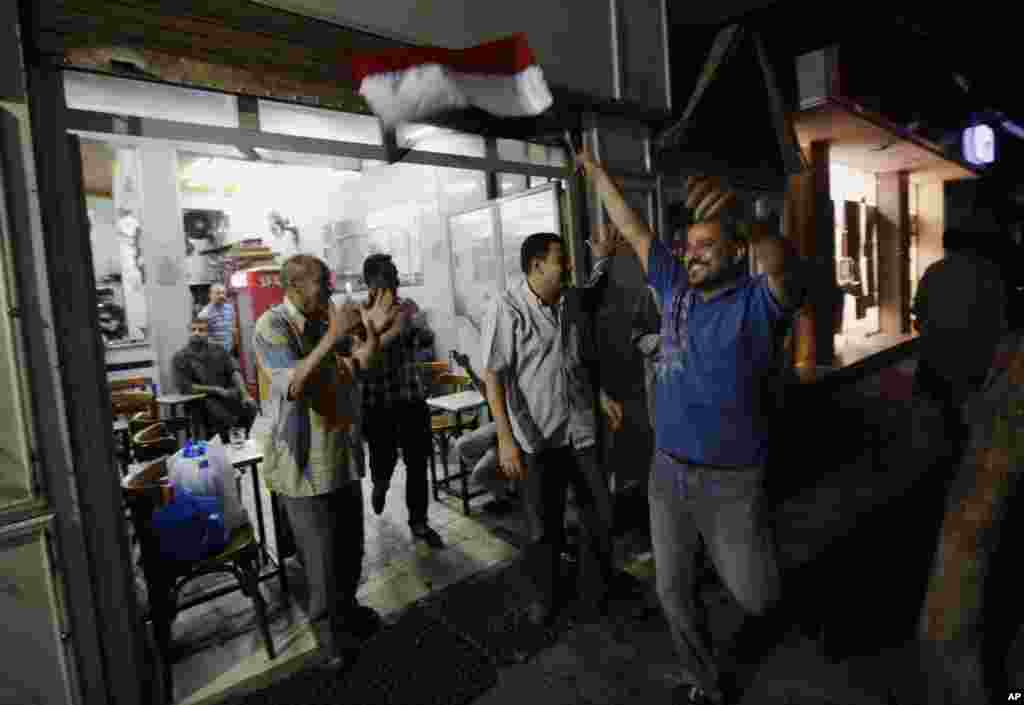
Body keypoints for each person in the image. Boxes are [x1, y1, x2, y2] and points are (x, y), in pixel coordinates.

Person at [577, 148, 806, 705]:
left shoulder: (759, 301)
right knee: (673, 592)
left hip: (733, 482)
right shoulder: (674, 289)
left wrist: (751, 221)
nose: (694, 254)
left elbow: (782, 266)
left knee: (759, 599)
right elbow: (632, 228)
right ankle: (705, 683)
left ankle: (763, 566)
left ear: (734, 251)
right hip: (669, 474)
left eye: (708, 246)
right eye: (690, 246)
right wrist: (594, 170)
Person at [253, 253, 397, 669]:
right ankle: (329, 636)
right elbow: (293, 385)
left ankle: (348, 612)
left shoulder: (323, 320)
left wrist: (371, 331)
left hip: (341, 456)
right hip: (303, 466)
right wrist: (333, 335)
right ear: (294, 286)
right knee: (321, 560)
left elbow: (360, 364)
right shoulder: (272, 325)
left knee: (349, 550)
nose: (331, 289)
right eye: (322, 282)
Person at [481, 226, 624, 627]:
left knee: (597, 514)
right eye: (561, 261)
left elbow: (576, 353)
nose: (568, 268)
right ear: (536, 265)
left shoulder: (569, 301)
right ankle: (546, 597)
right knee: (545, 528)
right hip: (538, 441)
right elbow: (493, 377)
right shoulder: (507, 309)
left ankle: (596, 590)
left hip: (578, 431)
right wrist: (506, 441)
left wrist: (605, 259)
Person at [359, 253, 444, 548]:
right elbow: (361, 358)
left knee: (418, 462)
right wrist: (390, 330)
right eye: (386, 279)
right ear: (370, 282)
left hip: (410, 397)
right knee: (383, 462)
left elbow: (428, 339)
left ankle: (419, 521)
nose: (393, 285)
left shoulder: (407, 307)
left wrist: (417, 329)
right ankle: (380, 486)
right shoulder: (360, 315)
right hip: (377, 402)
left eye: (395, 279)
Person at [911, 226, 1007, 461]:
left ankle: (947, 447)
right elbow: (1000, 315)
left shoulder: (934, 271)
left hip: (938, 350)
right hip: (976, 351)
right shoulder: (989, 273)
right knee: (972, 400)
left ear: (946, 245)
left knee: (944, 403)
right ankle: (968, 447)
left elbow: (919, 309)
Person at [172, 317, 259, 443]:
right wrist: (216, 390)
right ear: (189, 332)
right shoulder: (180, 357)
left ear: (208, 333)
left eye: (201, 330)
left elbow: (234, 371)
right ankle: (226, 444)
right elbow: (185, 386)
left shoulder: (219, 350)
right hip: (201, 400)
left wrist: (245, 395)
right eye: (193, 330)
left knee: (250, 406)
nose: (196, 333)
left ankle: (241, 440)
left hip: (226, 394)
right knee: (220, 415)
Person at [198, 283, 238, 355]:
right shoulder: (204, 313)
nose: (221, 296)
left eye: (223, 293)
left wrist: (235, 345)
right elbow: (201, 337)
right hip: (213, 353)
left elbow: (233, 328)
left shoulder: (230, 308)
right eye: (218, 293)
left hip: (228, 350)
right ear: (210, 295)